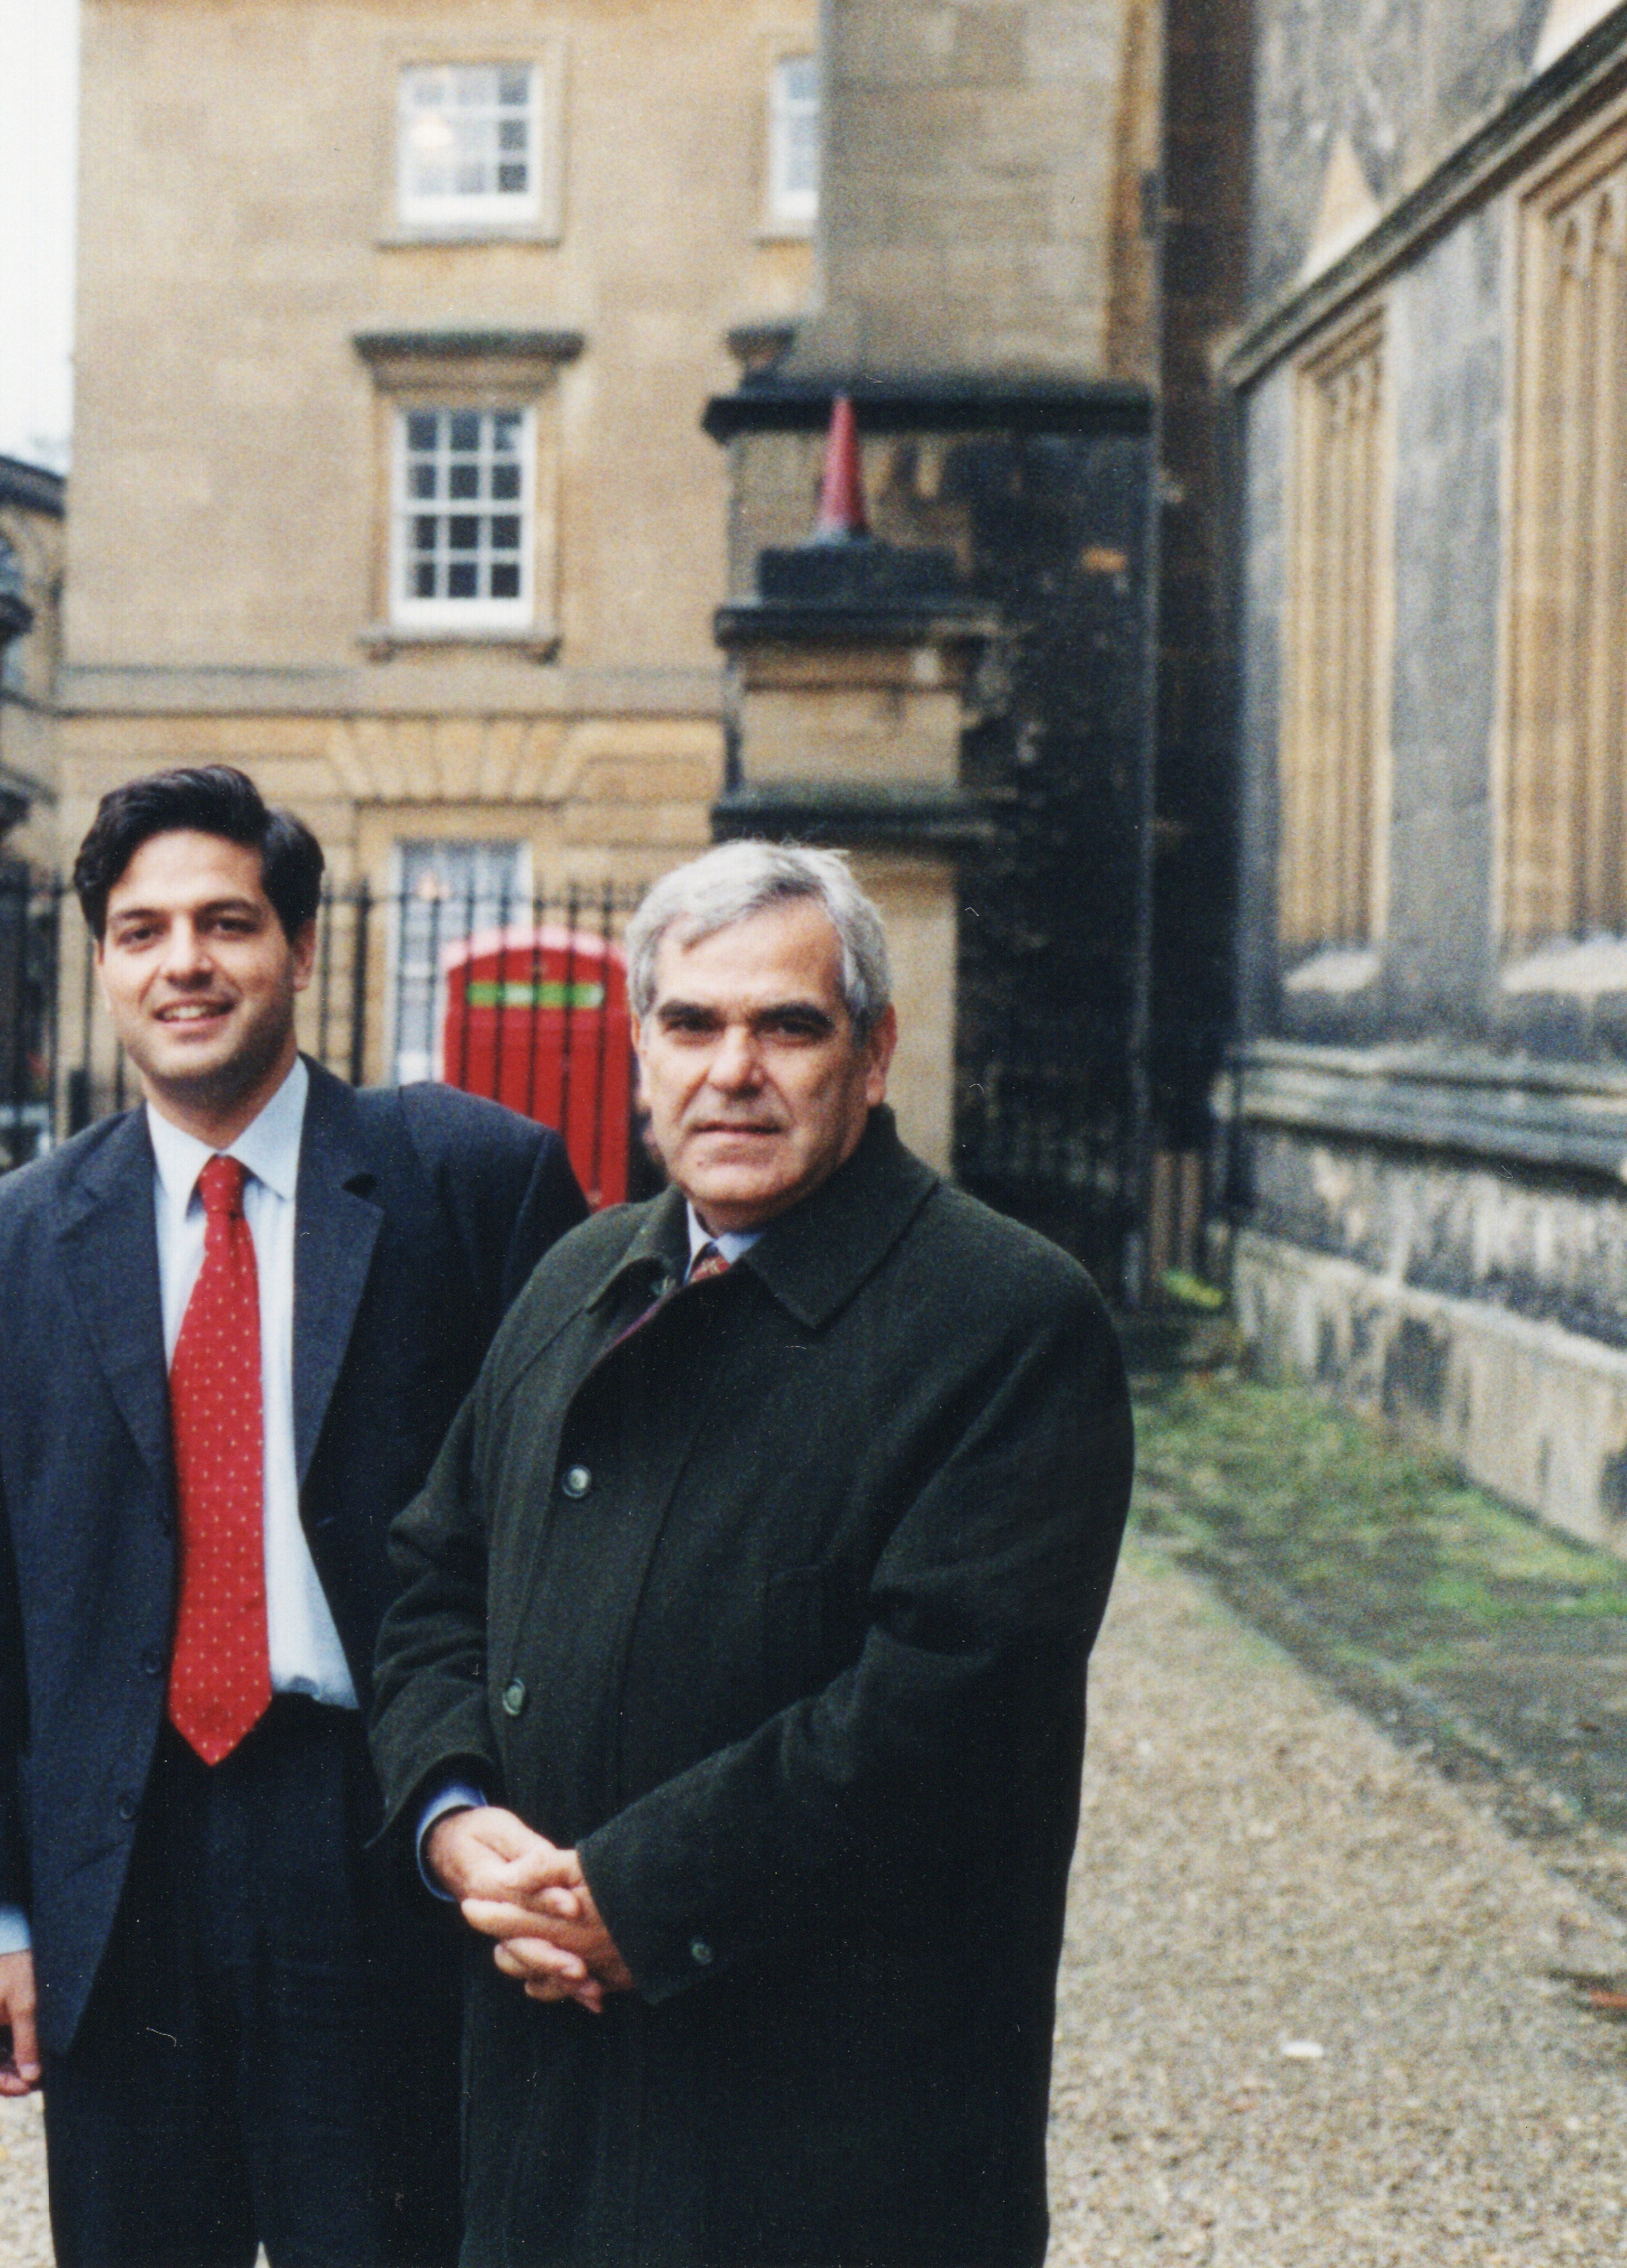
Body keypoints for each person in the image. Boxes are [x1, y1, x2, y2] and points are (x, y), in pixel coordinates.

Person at [370, 841, 1135, 2268]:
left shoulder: (1009, 1321)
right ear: (639, 1052)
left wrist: (634, 1898)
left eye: (787, 1025)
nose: (734, 1068)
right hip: (553, 2087)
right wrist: (452, 1808)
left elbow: (941, 1712)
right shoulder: (575, 1274)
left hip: (831, 2128)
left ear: (873, 1052)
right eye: (691, 1022)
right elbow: (430, 1576)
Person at [0, 766, 586, 2267]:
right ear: (102, 961)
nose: (186, 963)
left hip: (382, 1826)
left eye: (228, 923)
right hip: (123, 1855)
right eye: (144, 929)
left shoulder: (472, 1180)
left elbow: (571, 1539)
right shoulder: (12, 1242)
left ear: (299, 946)